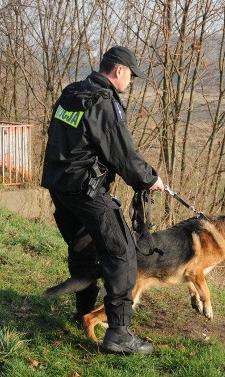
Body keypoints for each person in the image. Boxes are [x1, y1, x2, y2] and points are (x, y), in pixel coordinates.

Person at [41, 46, 164, 355]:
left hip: (60, 185)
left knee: (82, 247)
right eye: (132, 76)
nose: (132, 81)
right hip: (86, 191)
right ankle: (119, 333)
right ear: (119, 70)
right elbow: (122, 153)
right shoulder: (104, 102)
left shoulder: (72, 92)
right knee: (122, 253)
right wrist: (149, 178)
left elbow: (57, 135)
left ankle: (82, 309)